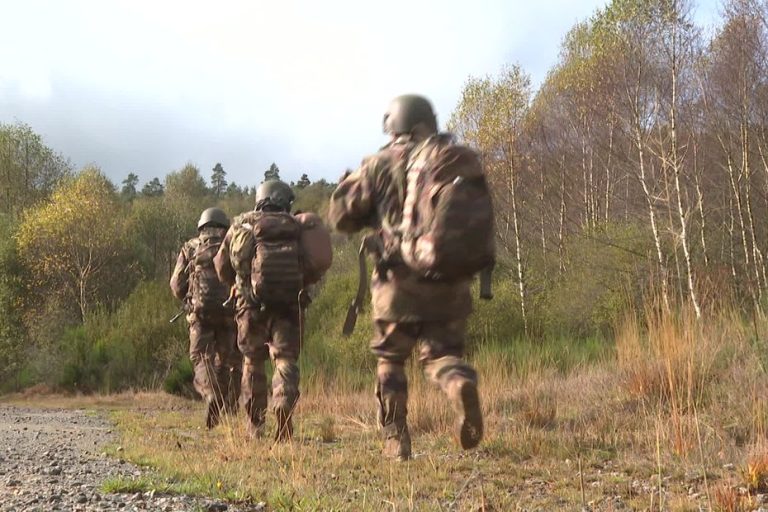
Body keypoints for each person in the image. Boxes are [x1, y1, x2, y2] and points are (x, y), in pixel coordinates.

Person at [329, 94, 489, 460]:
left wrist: (347, 190)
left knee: (391, 359)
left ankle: (396, 440)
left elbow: (340, 218)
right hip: (448, 281)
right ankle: (459, 382)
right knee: (441, 356)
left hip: (396, 285)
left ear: (394, 124)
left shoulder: (379, 163)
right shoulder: (448, 158)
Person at [214, 180, 331, 441]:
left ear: (260, 198)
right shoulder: (296, 226)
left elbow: (222, 267)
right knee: (285, 359)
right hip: (289, 305)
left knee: (252, 362)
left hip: (250, 306)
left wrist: (240, 282)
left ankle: (255, 426)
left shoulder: (242, 225)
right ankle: (283, 406)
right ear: (285, 201)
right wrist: (302, 283)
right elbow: (314, 265)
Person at [170, 207, 242, 429]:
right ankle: (227, 405)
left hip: (200, 314)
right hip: (229, 313)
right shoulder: (232, 245)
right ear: (224, 226)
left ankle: (211, 394)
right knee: (227, 360)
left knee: (200, 356)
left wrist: (189, 299)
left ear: (201, 226)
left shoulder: (190, 247)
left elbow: (176, 284)